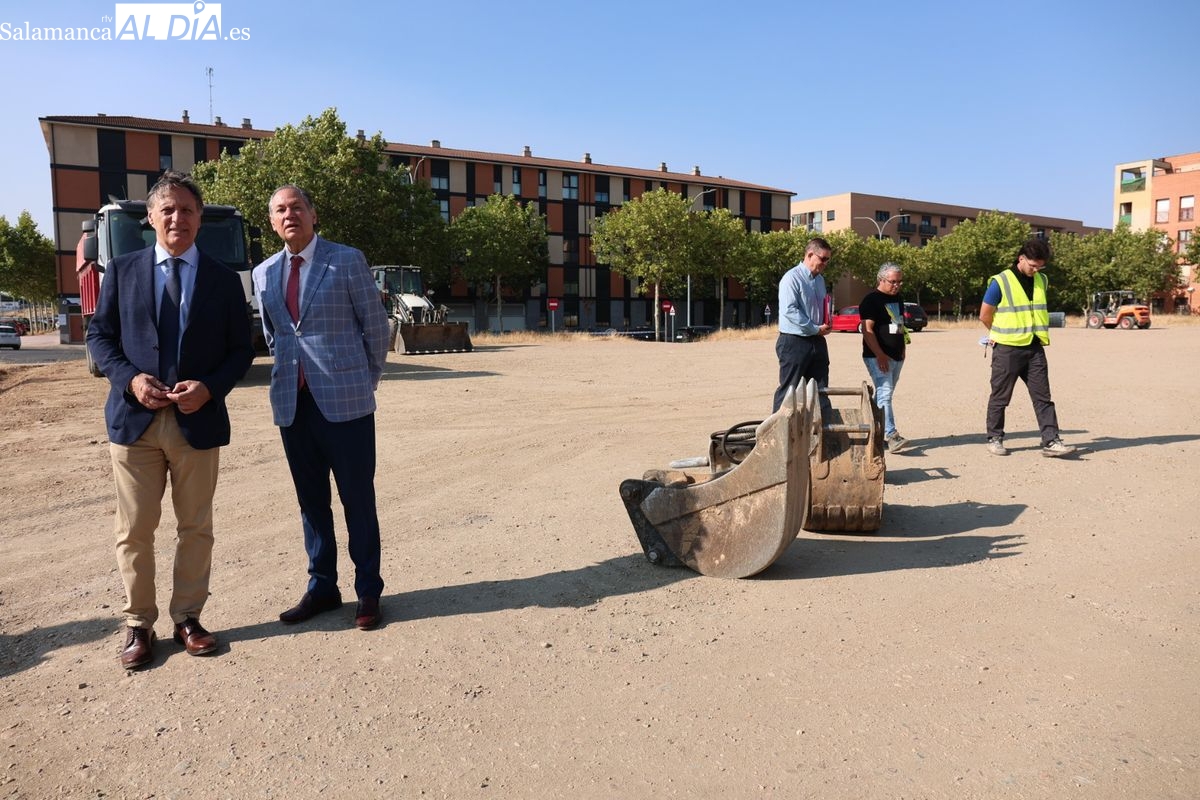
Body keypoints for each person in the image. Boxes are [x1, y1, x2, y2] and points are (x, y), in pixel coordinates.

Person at [86, 171, 255, 670]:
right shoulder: (122, 270)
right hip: (134, 422)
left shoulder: (224, 281)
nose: (177, 218)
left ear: (199, 218)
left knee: (196, 526)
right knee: (134, 529)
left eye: (186, 210)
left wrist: (210, 387)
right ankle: (139, 624)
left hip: (196, 421)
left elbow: (240, 350)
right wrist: (129, 379)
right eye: (167, 210)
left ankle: (187, 618)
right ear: (151, 218)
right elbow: (100, 337)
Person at [252, 185, 392, 630]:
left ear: (313, 215)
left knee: (357, 500)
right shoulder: (263, 273)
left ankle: (368, 590)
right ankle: (322, 587)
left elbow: (376, 324)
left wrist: (364, 380)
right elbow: (276, 336)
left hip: (347, 404)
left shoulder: (346, 259)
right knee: (311, 502)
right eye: (280, 210)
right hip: (294, 406)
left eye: (296, 207)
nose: (289, 214)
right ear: (272, 222)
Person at [979, 237, 1076, 458]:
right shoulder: (1001, 282)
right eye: (1033, 266)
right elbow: (985, 314)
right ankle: (994, 438)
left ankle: (1051, 441)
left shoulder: (1042, 279)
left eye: (1040, 266)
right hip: (1007, 349)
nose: (1036, 270)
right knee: (1000, 397)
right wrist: (997, 333)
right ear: (1021, 259)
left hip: (1034, 348)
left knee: (1043, 397)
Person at [774, 237, 833, 414]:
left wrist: (826, 323)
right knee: (789, 391)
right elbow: (789, 311)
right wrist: (815, 328)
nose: (825, 263)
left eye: (828, 260)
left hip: (817, 340)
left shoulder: (820, 281)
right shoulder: (791, 278)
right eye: (823, 259)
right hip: (794, 342)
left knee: (820, 390)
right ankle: (778, 437)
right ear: (809, 254)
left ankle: (821, 436)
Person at [859, 263, 910, 454]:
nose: (897, 285)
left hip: (897, 356)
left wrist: (903, 347)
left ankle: (872, 426)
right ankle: (891, 435)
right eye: (893, 281)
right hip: (877, 356)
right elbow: (867, 330)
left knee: (883, 396)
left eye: (899, 281)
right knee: (885, 393)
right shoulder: (871, 301)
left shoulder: (898, 299)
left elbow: (898, 325)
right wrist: (880, 354)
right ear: (881, 280)